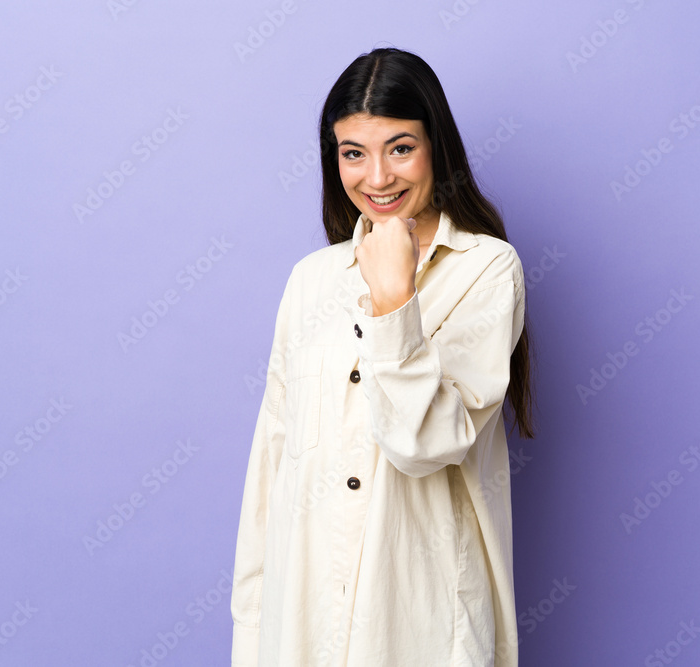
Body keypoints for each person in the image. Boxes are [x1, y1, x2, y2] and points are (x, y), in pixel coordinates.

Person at [231, 45, 537, 666]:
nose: (377, 178)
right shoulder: (310, 281)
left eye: (400, 147)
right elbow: (271, 470)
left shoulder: (487, 270)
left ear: (436, 147)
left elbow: (424, 445)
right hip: (301, 629)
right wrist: (253, 638)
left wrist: (394, 298)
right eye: (353, 153)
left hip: (418, 625)